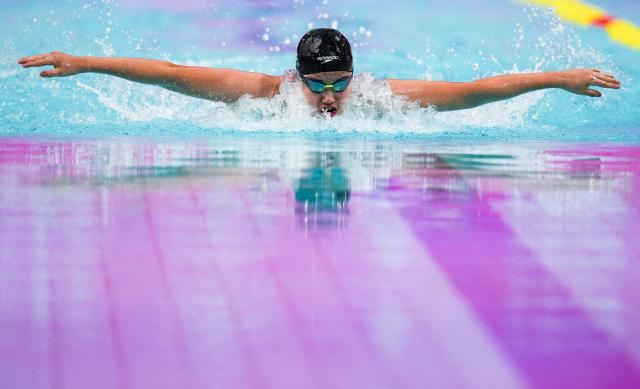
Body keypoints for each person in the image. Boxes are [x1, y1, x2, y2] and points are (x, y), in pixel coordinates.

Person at [18, 28, 621, 117]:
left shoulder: (378, 97)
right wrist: (87, 62)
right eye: (318, 85)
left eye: (339, 83)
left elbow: (469, 92)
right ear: (295, 77)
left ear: (355, 76)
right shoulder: (265, 95)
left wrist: (556, 76)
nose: (330, 97)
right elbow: (171, 73)